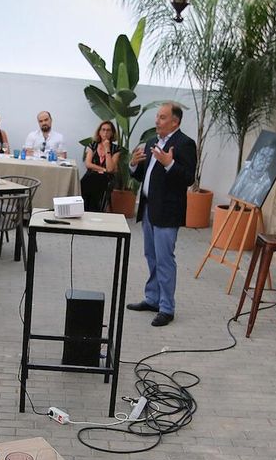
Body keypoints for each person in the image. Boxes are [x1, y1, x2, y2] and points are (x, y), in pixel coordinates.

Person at [126, 102, 196, 327]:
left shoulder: (185, 144)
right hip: (148, 209)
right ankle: (153, 298)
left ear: (175, 121)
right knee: (151, 256)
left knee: (165, 260)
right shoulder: (151, 142)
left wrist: (170, 164)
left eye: (162, 117)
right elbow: (142, 176)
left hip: (167, 211)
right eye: (157, 116)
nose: (157, 120)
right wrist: (133, 165)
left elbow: (187, 178)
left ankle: (167, 308)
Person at [79, 120, 121, 213]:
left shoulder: (116, 149)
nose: (105, 133)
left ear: (112, 133)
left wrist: (107, 149)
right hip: (91, 175)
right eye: (103, 130)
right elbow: (88, 164)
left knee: (99, 184)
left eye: (108, 130)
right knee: (85, 182)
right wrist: (102, 169)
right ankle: (84, 210)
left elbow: (110, 169)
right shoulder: (92, 145)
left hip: (106, 177)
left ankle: (95, 211)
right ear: (99, 132)